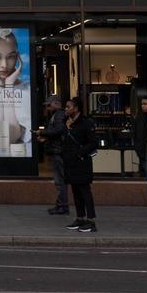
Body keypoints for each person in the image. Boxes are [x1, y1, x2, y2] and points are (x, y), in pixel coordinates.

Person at [61, 96, 98, 233]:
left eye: (68, 107)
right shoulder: (66, 122)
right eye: (65, 107)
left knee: (85, 191)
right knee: (76, 191)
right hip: (70, 162)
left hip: (82, 162)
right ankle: (80, 218)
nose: (66, 109)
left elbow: (93, 142)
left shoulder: (86, 122)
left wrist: (79, 153)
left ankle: (91, 221)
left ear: (76, 108)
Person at [36, 94, 67, 215]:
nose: (47, 107)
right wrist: (46, 138)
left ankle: (62, 206)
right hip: (57, 150)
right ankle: (61, 205)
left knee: (59, 180)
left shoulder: (58, 115)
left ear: (56, 103)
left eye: (49, 105)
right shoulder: (57, 115)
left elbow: (59, 130)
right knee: (59, 179)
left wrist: (42, 132)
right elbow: (57, 133)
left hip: (58, 151)